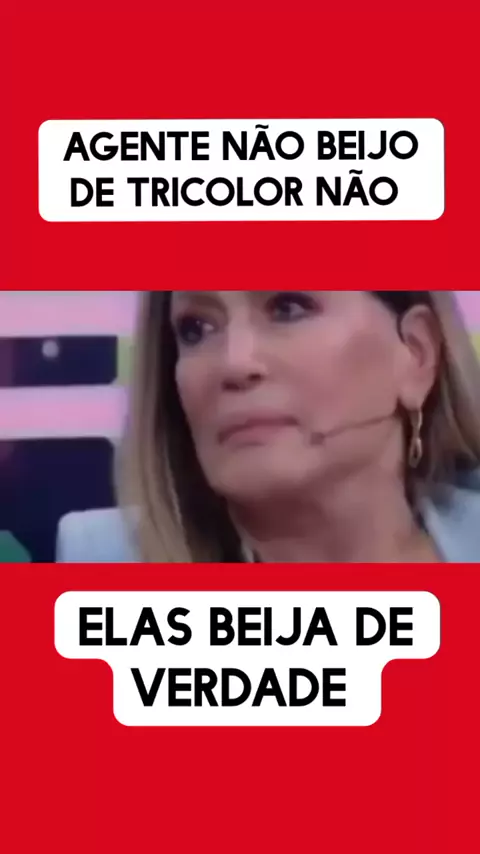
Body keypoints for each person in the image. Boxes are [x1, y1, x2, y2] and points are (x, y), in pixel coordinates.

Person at [56, 290, 480, 563]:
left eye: (288, 308)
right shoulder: (102, 562)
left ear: (416, 354)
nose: (234, 362)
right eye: (196, 329)